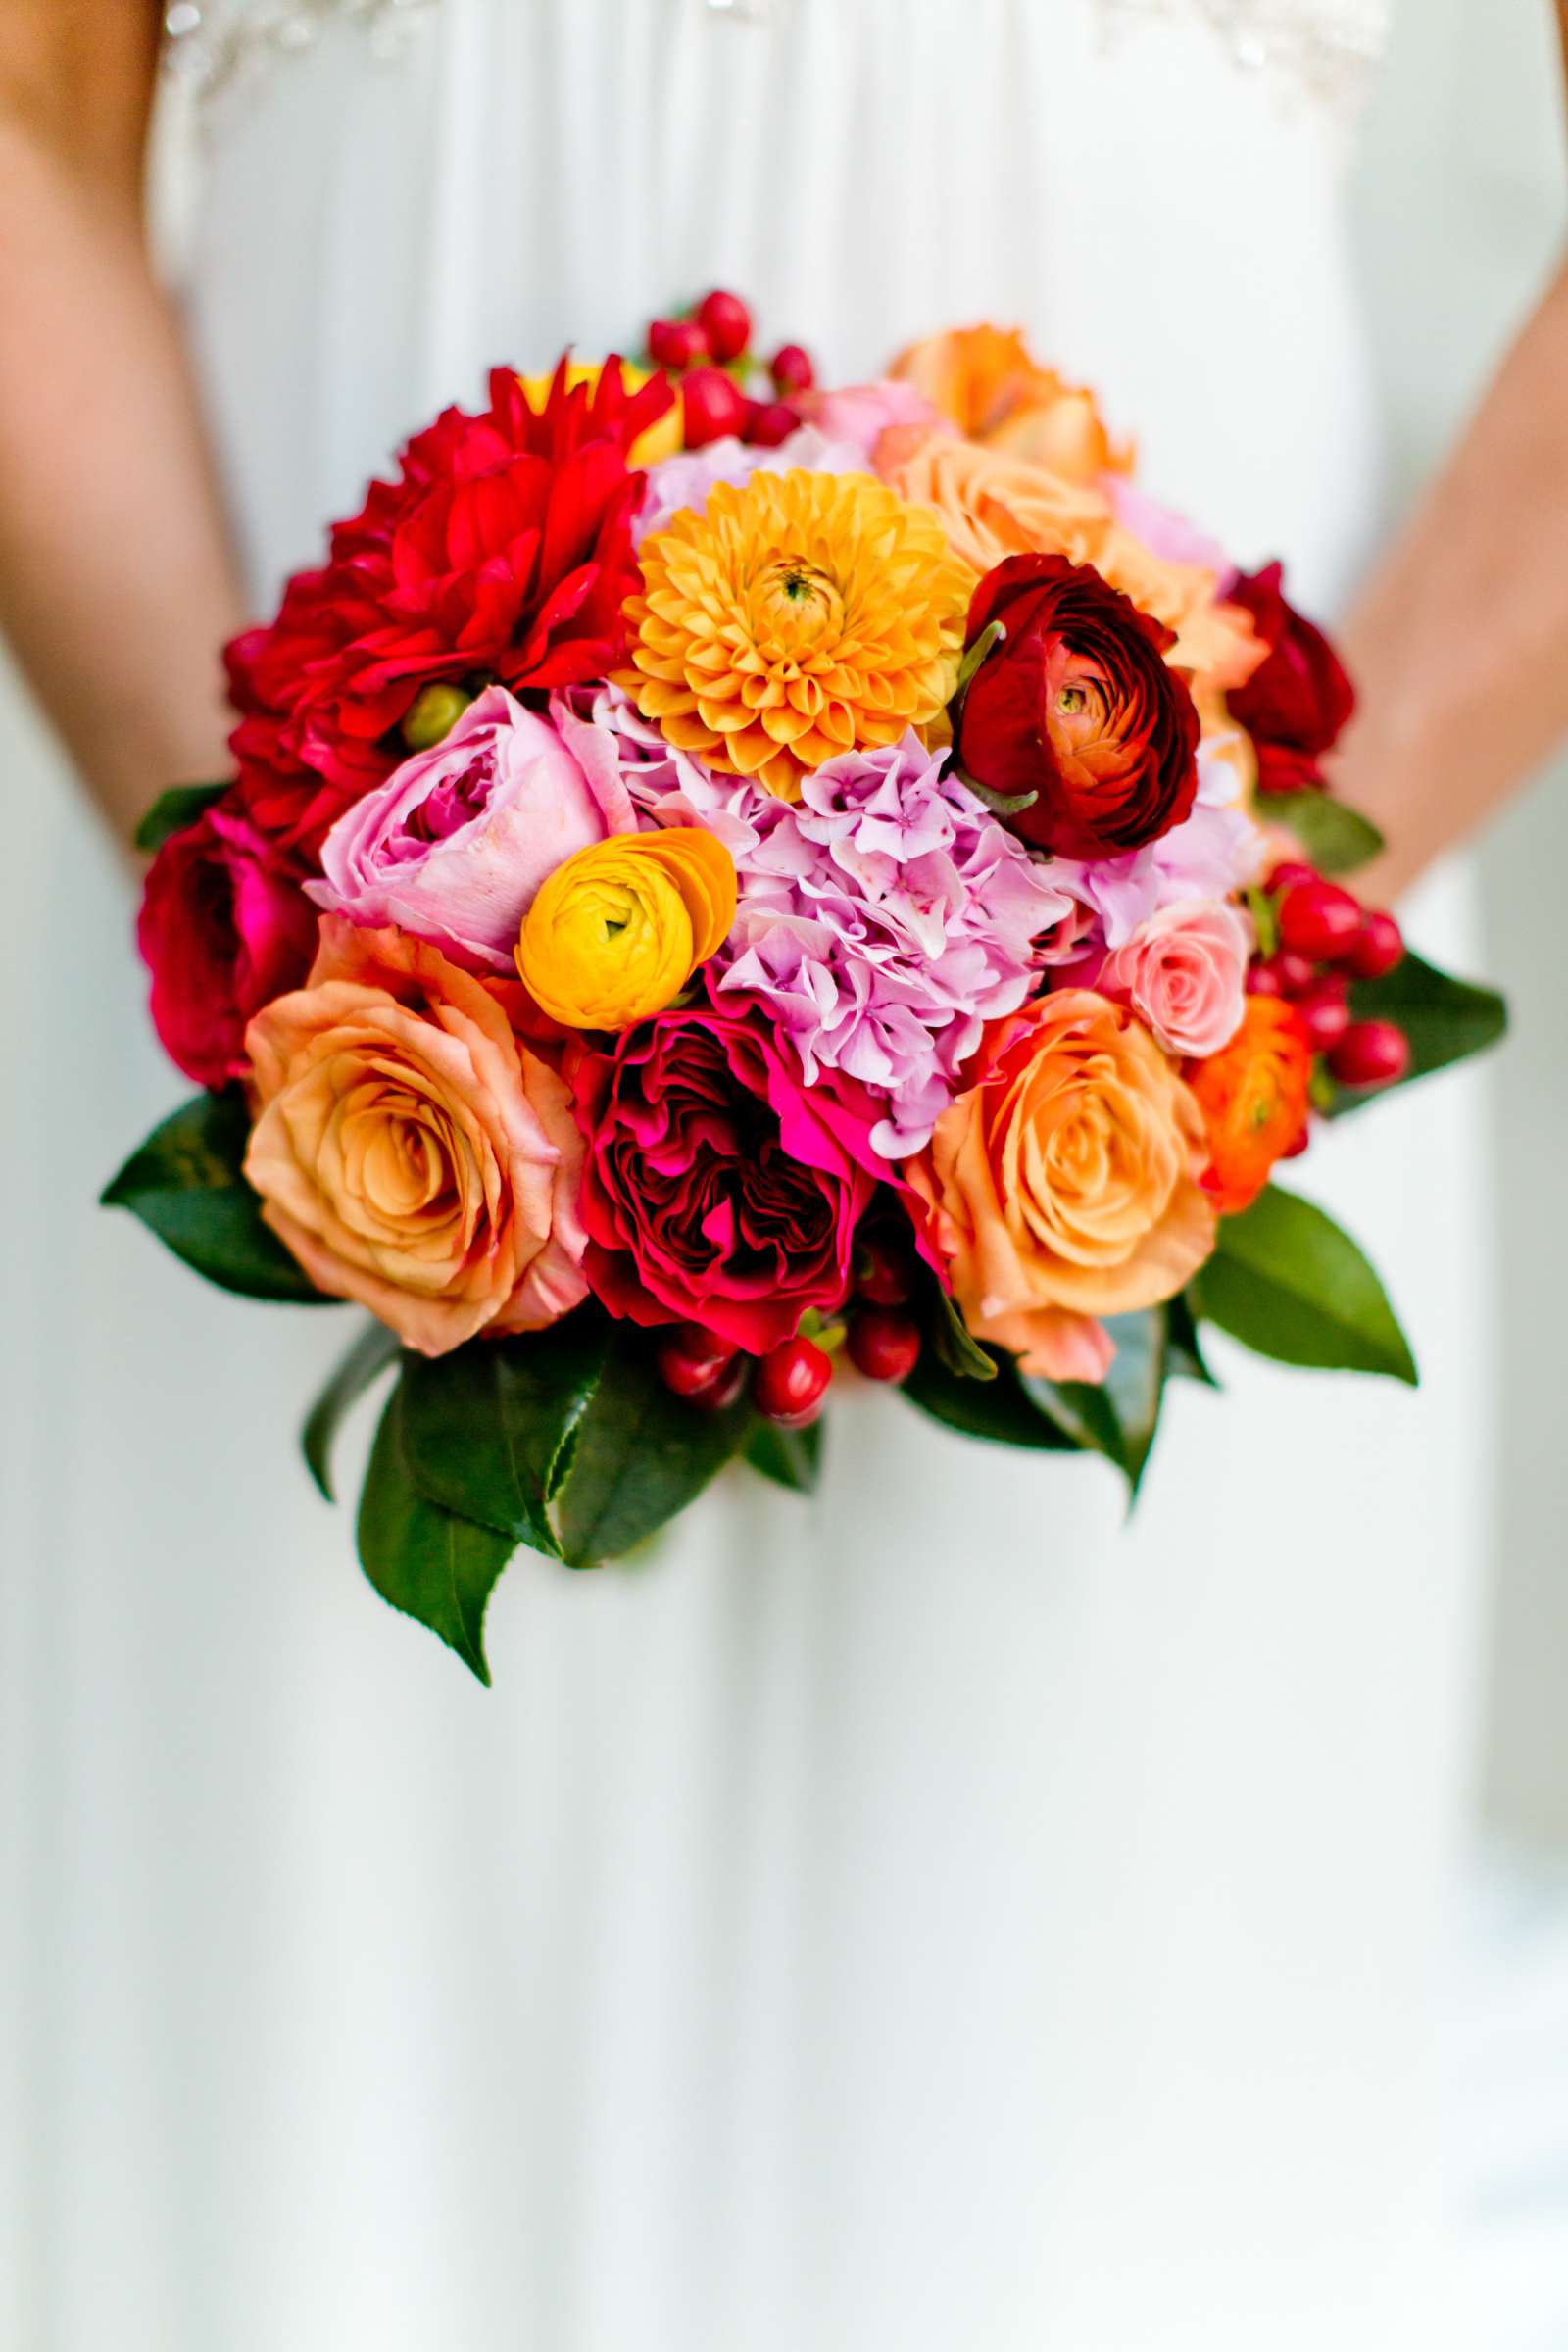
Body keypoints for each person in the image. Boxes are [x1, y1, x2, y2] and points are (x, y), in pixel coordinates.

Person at [0, 4, 1562, 2346]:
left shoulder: (1185, 973)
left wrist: (1210, 943)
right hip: (323, 950)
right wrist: (319, 954)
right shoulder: (320, 968)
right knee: (350, 2095)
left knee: (1070, 2125)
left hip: (1168, 990)